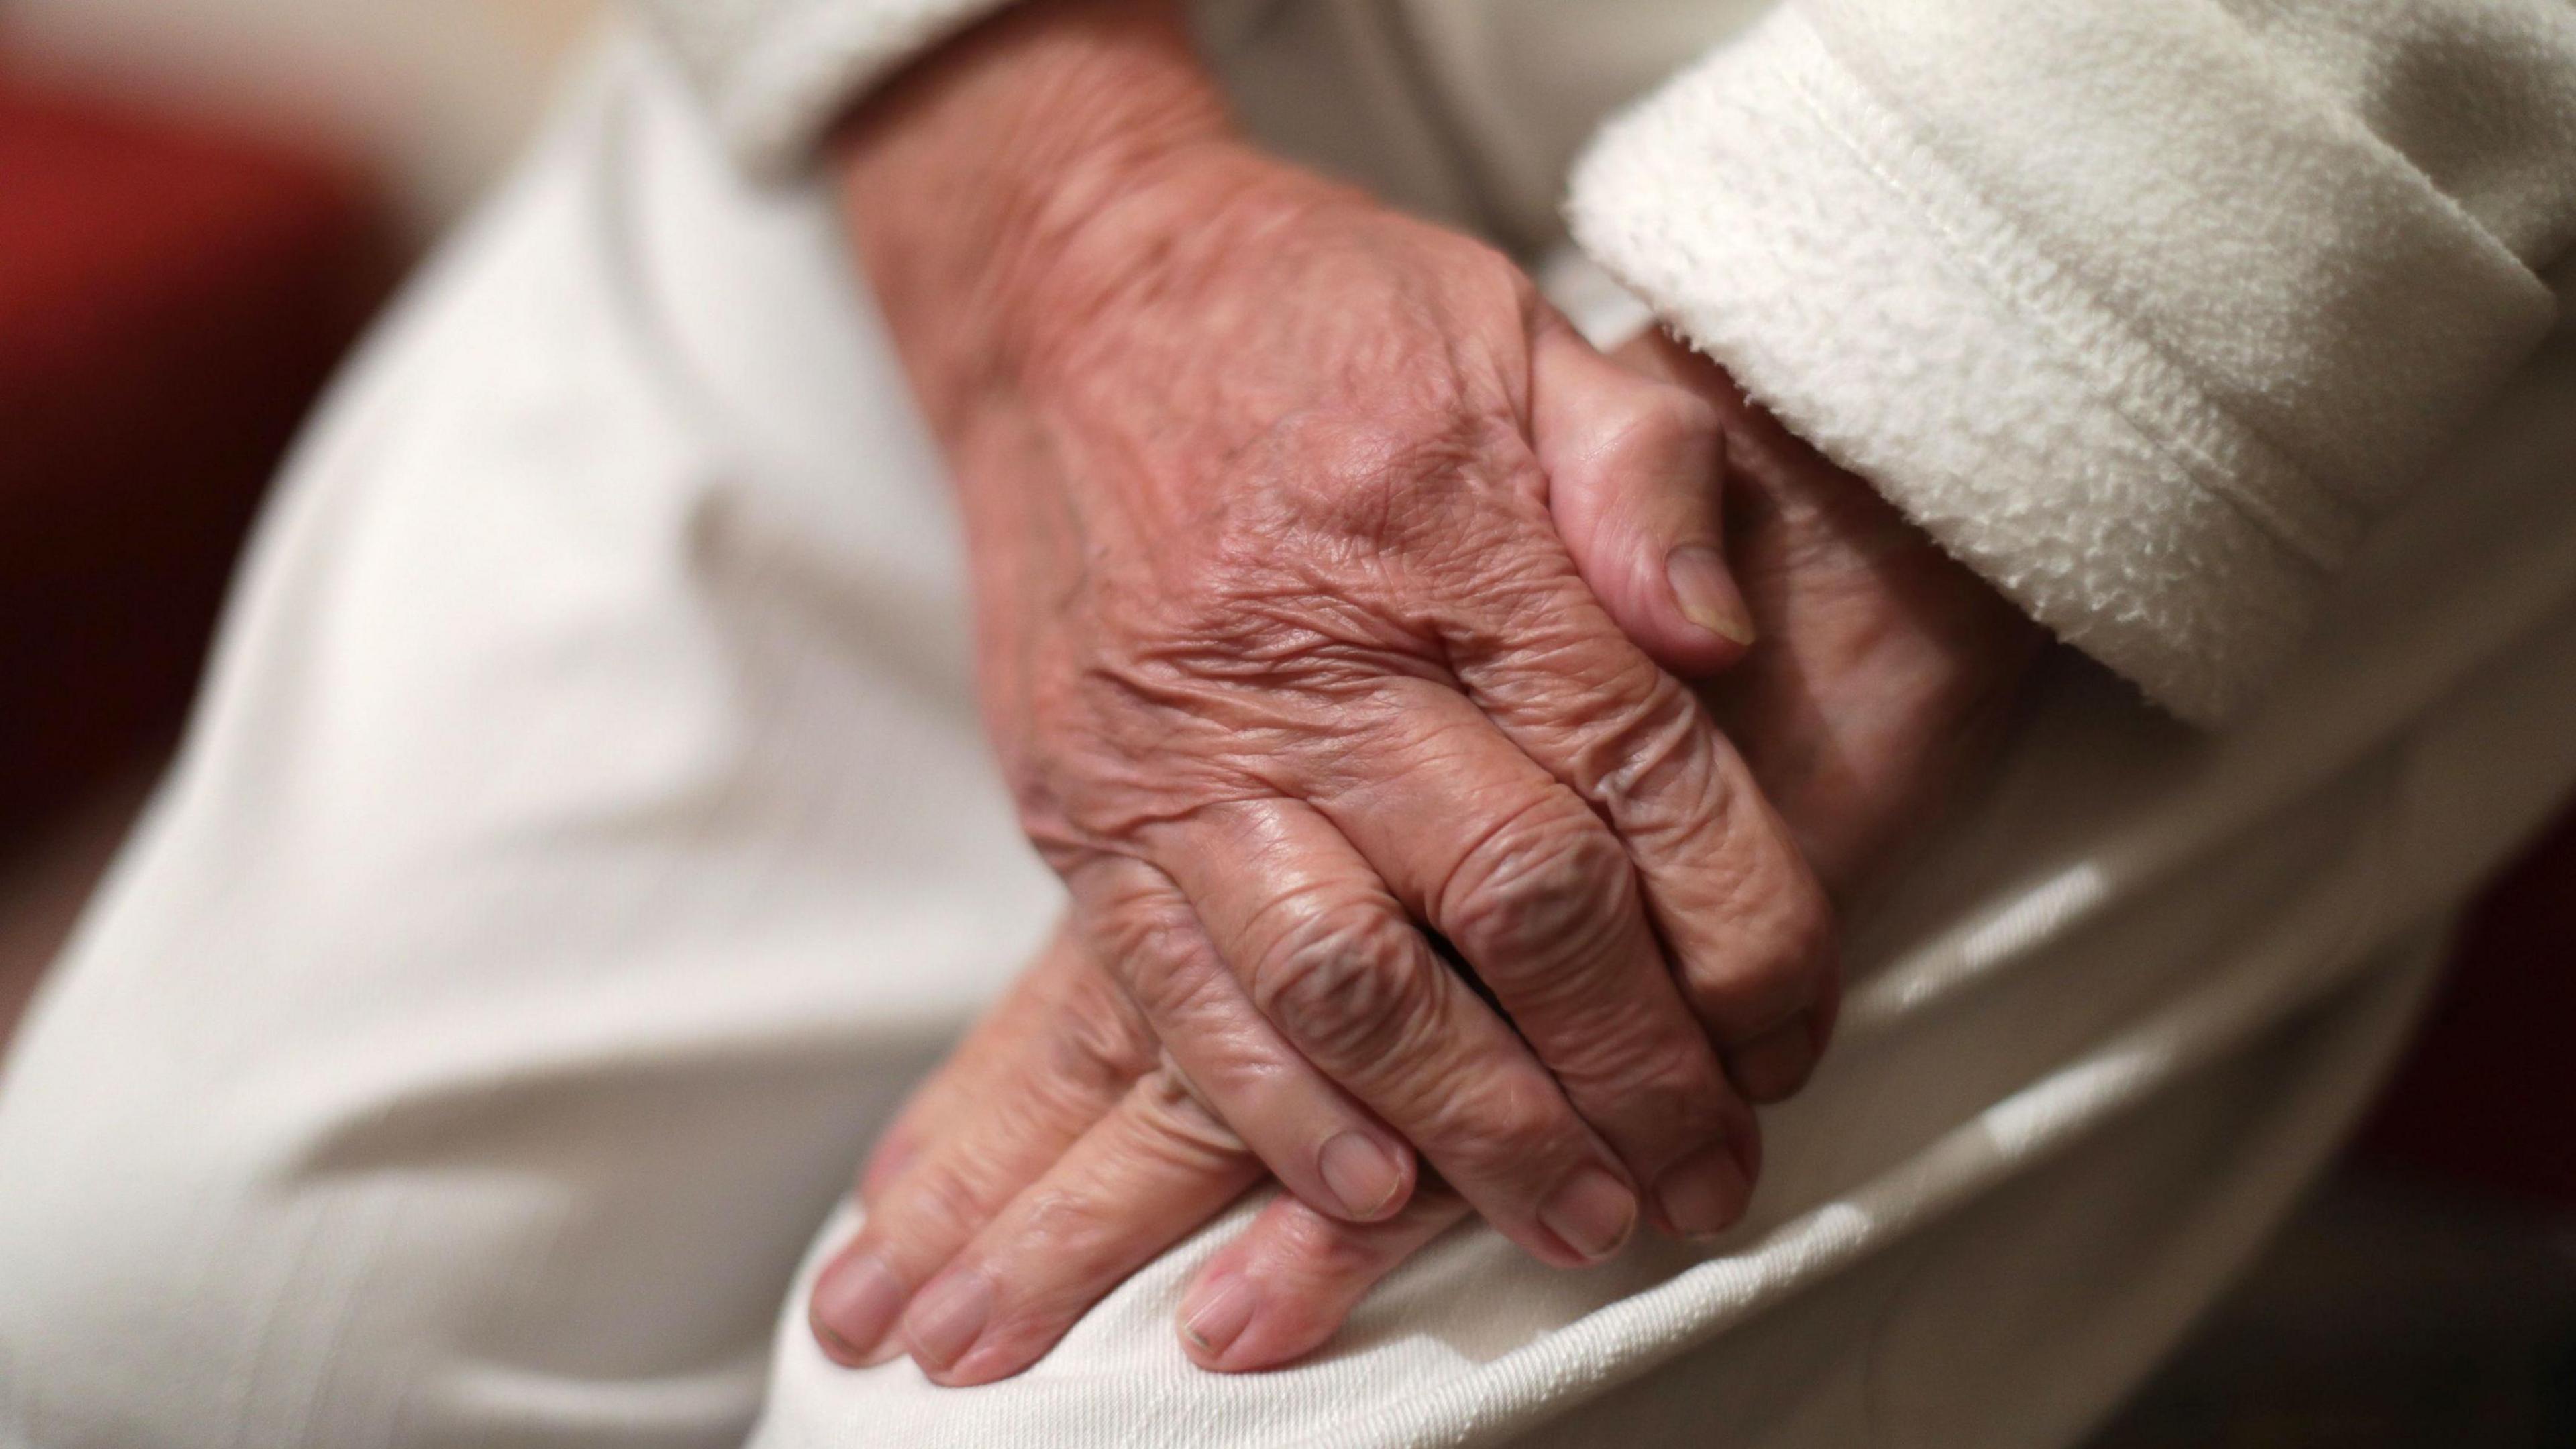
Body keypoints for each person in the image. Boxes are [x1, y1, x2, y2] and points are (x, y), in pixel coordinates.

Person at [1, 1, 2572, 1446]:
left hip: (2154, 105)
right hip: (1008, 64)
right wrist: (1037, 206)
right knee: (180, 1333)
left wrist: (1974, 364)